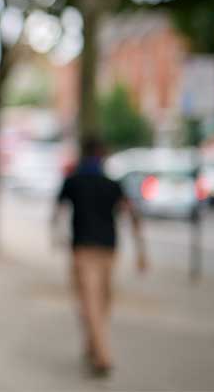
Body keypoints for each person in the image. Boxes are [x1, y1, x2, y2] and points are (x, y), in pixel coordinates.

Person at [52, 137, 148, 377]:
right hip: (109, 250)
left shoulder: (73, 181)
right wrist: (141, 252)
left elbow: (58, 212)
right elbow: (132, 214)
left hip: (83, 249)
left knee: (90, 301)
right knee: (102, 301)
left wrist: (57, 236)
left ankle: (99, 353)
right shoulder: (112, 184)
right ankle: (98, 351)